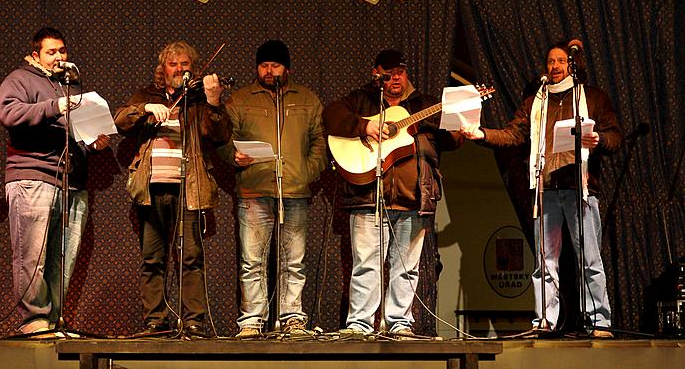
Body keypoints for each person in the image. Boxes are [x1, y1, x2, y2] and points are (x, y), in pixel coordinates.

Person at [460, 40, 622, 337]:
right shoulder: (538, 101)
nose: (555, 66)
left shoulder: (592, 97)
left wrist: (599, 139)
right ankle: (545, 320)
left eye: (560, 61)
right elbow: (513, 134)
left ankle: (599, 321)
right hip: (546, 190)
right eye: (550, 61)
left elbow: (614, 136)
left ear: (572, 65)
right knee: (545, 262)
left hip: (579, 188)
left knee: (589, 259)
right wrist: (480, 133)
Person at [322, 49, 462, 336]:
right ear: (377, 75)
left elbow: (453, 140)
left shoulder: (423, 104)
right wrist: (366, 125)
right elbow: (331, 114)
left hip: (413, 198)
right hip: (368, 198)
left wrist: (462, 124)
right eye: (388, 73)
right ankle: (360, 324)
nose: (395, 77)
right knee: (366, 266)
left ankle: (400, 323)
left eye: (400, 71)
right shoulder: (362, 99)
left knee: (407, 268)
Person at [0, 27, 110, 334]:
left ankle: (54, 320)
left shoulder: (68, 87)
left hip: (71, 183)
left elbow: (71, 131)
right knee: (32, 254)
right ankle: (34, 319)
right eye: (51, 52)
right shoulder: (19, 80)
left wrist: (92, 142)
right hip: (33, 178)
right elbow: (10, 114)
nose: (59, 56)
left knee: (63, 257)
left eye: (62, 50)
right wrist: (55, 106)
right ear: (36, 55)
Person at [114, 41, 231, 338]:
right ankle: (155, 320)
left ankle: (193, 320)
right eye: (173, 64)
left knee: (191, 258)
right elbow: (120, 121)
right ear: (163, 70)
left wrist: (214, 102)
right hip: (151, 188)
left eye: (184, 64)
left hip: (188, 188)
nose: (179, 69)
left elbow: (218, 134)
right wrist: (145, 109)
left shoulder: (199, 100)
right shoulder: (149, 95)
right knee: (153, 258)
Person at [218, 40, 327, 338]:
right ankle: (252, 320)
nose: (269, 71)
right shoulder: (240, 99)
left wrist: (308, 171)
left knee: (293, 260)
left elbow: (319, 140)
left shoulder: (306, 99)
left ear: (286, 68)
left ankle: (292, 317)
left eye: (275, 65)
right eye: (264, 65)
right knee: (252, 260)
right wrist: (233, 155)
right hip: (254, 190)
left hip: (294, 190)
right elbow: (224, 139)